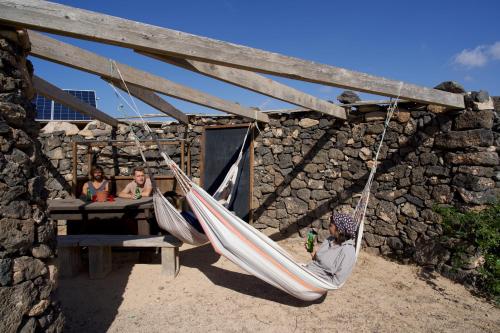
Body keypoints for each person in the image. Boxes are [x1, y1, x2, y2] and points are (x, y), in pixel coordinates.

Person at [304, 213, 357, 287]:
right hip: (307, 271)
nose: (328, 227)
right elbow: (318, 261)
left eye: (331, 225)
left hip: (315, 282)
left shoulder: (348, 251)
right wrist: (310, 249)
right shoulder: (330, 239)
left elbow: (337, 281)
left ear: (340, 229)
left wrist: (316, 284)